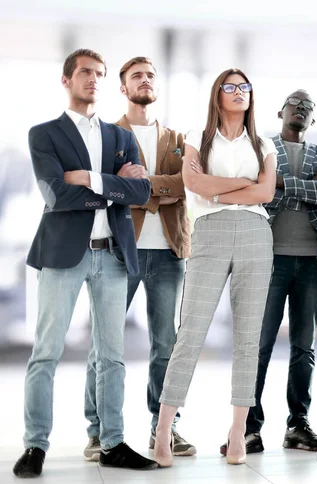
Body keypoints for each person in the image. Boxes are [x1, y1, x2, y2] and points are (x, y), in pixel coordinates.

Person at [13, 48, 156, 478]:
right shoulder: (44, 134)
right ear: (66, 80)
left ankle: (112, 442)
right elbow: (56, 195)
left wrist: (91, 179)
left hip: (111, 254)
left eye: (98, 73)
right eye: (84, 72)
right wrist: (114, 186)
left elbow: (141, 195)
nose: (92, 79)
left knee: (112, 356)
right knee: (47, 353)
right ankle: (35, 446)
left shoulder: (121, 137)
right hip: (63, 256)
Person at [152, 68, 277, 467]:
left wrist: (218, 185)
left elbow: (267, 192)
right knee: (190, 332)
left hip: (257, 233)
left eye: (245, 87)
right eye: (231, 87)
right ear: (217, 94)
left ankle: (238, 432)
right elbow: (194, 187)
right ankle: (163, 430)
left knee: (248, 339)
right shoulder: (197, 138)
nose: (239, 92)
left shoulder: (263, 142)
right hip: (208, 232)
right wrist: (242, 184)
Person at [82, 56, 195, 462]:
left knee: (166, 345)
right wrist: (149, 190)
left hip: (169, 252)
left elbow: (188, 184)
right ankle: (98, 432)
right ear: (123, 87)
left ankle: (165, 428)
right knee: (104, 346)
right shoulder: (108, 136)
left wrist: (142, 185)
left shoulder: (180, 138)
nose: (144, 81)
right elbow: (107, 186)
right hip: (119, 251)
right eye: (136, 77)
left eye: (150, 76)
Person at [220, 90, 317, 456]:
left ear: (312, 120)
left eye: (308, 106)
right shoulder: (261, 149)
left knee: (305, 348)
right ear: (281, 111)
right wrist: (297, 186)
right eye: (294, 103)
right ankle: (249, 429)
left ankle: (298, 425)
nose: (300, 108)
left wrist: (284, 182)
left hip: (314, 260)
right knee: (259, 346)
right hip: (270, 259)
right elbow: (263, 194)